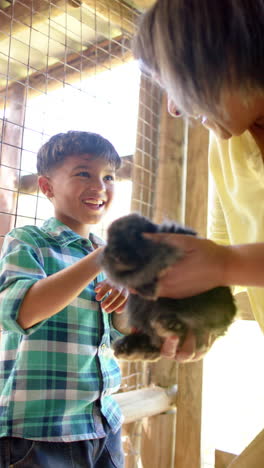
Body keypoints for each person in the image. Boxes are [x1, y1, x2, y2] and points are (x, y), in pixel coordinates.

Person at [133, 0, 264, 362]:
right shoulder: (225, 146)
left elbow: (229, 259)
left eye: (172, 84)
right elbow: (227, 245)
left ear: (221, 58)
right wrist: (194, 313)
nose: (175, 108)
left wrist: (225, 264)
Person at [0, 131, 129, 467]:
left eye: (109, 176)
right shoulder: (27, 241)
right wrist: (100, 260)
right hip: (40, 431)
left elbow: (120, 336)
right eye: (83, 173)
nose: (100, 186)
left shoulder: (105, 255)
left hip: (103, 425)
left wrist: (126, 302)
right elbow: (20, 312)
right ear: (47, 187)